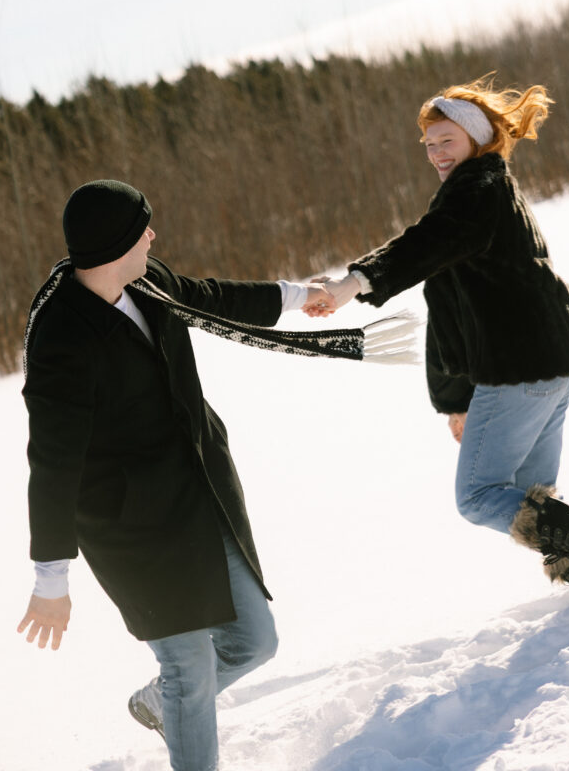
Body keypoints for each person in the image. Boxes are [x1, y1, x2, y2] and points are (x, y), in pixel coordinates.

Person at [17, 178, 339, 771]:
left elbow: (210, 296)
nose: (154, 235)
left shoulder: (148, 279)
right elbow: (54, 459)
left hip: (197, 490)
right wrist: (51, 577)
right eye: (144, 228)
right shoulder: (61, 336)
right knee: (189, 664)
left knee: (255, 641)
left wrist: (300, 296)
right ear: (116, 242)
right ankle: (182, 709)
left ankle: (164, 705)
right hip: (130, 524)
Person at [305, 75, 569, 619]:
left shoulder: (476, 187)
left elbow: (422, 245)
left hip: (521, 364)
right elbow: (449, 306)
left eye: (447, 141)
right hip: (554, 360)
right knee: (532, 496)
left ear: (476, 139)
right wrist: (456, 398)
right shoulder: (489, 193)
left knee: (480, 495)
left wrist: (350, 284)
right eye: (429, 144)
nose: (436, 153)